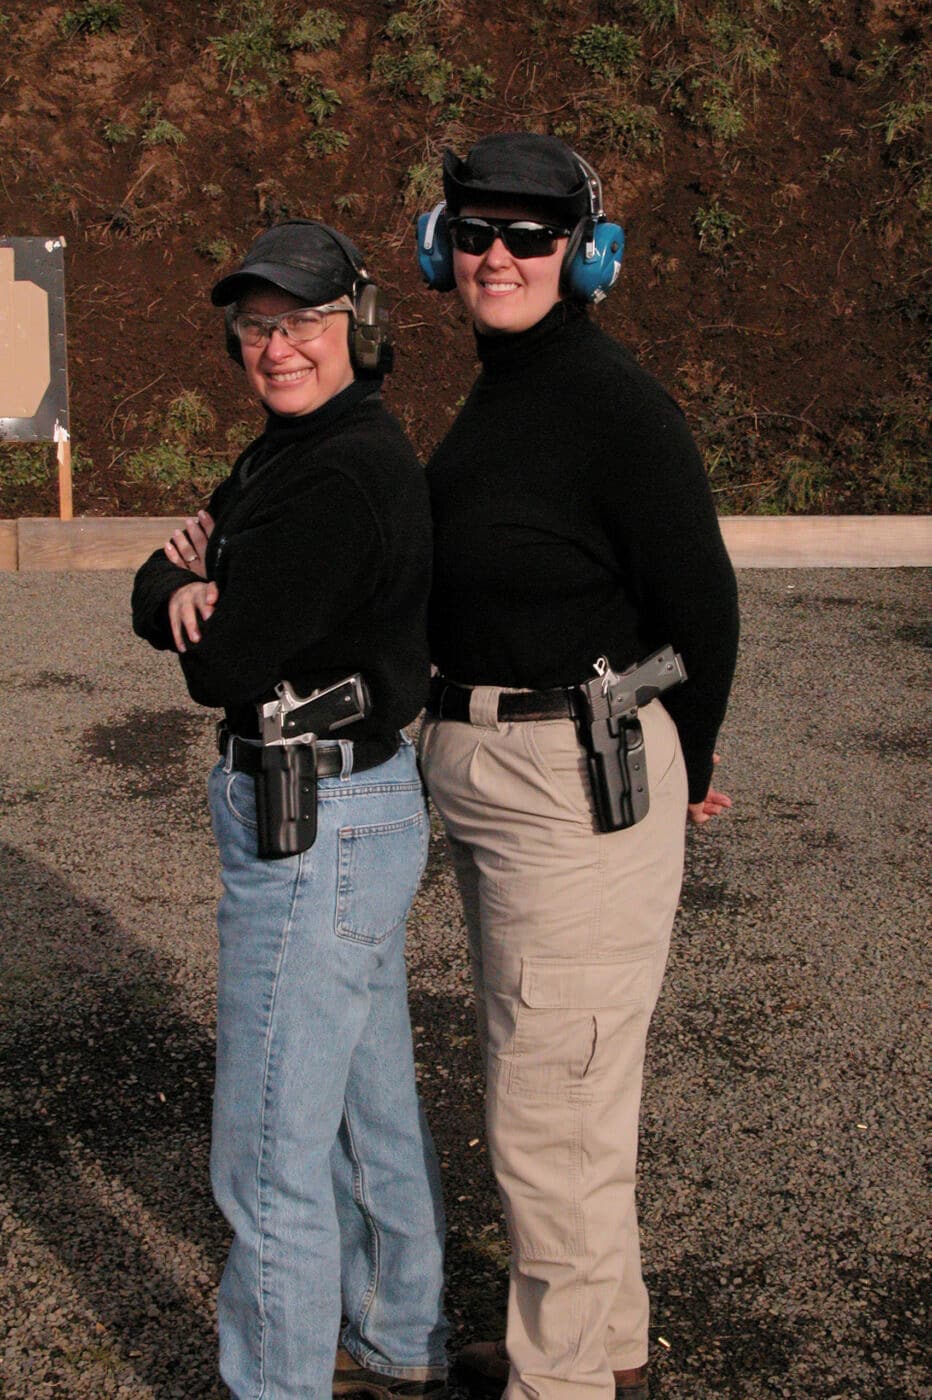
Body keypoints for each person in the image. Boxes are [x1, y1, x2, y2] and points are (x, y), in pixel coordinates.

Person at [414, 134, 740, 1400]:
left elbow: (699, 610)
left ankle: (559, 1386)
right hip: (503, 769)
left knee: (552, 1109)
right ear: (441, 249)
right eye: (477, 232)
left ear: (583, 255)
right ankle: (603, 1349)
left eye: (529, 235)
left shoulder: (612, 405)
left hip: (572, 778)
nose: (499, 255)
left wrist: (690, 754)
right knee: (562, 1086)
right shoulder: (503, 387)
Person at [132, 220, 448, 1400]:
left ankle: (276, 1381)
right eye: (257, 326)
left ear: (356, 330)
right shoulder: (290, 451)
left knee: (267, 1151)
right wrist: (173, 581)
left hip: (311, 817)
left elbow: (224, 658)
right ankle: (397, 1332)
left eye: (303, 322)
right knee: (368, 1107)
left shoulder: (339, 470)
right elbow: (164, 579)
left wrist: (192, 589)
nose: (276, 347)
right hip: (347, 811)